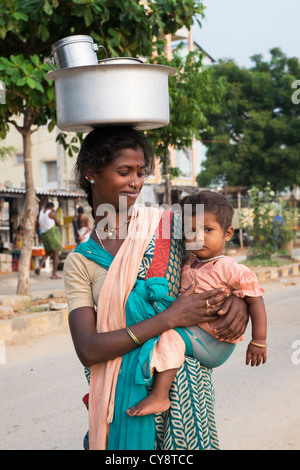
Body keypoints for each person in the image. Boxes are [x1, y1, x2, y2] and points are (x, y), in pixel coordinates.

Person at [63, 126, 249, 451]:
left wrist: (240, 302)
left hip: (187, 395)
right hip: (121, 396)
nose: (136, 182)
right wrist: (168, 319)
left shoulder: (168, 226)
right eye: (124, 172)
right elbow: (89, 349)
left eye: (140, 172)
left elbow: (216, 260)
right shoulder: (81, 262)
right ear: (92, 172)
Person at [127, 190, 267, 417]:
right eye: (191, 231)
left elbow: (256, 301)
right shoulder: (188, 264)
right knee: (163, 332)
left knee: (168, 335)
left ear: (228, 233)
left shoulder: (231, 268)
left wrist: (259, 341)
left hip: (215, 341)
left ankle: (160, 396)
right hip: (197, 333)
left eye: (208, 230)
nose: (198, 237)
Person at [35, 201, 63, 279]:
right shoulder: (51, 213)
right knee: (56, 253)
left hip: (44, 236)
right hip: (52, 235)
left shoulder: (40, 214)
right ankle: (54, 274)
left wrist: (39, 236)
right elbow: (58, 223)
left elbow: (36, 227)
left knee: (48, 252)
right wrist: (55, 216)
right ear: (52, 207)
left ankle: (40, 266)